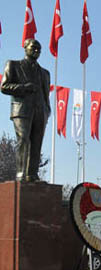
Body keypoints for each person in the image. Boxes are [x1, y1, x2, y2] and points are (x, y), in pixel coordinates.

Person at [1, 39, 51, 182]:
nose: (36, 51)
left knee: (37, 143)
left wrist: (47, 110)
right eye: (33, 48)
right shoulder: (13, 65)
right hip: (22, 110)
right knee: (23, 139)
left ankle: (32, 174)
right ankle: (20, 173)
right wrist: (24, 88)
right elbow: (4, 86)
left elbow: (46, 93)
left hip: (40, 111)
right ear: (25, 48)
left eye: (39, 49)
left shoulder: (45, 73)